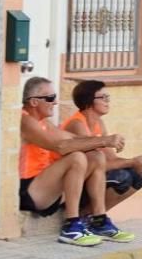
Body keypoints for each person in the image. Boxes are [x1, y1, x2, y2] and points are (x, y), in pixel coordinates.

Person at [19, 77, 135, 246]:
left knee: (95, 156)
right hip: (31, 190)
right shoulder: (26, 121)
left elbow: (73, 139)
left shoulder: (45, 123)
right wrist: (103, 141)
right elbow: (61, 146)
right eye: (51, 98)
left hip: (48, 188)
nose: (56, 102)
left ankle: (99, 220)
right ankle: (71, 225)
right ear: (34, 102)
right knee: (76, 157)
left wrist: (100, 142)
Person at [62, 80, 142, 211]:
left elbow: (111, 160)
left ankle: (94, 217)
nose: (107, 101)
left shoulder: (99, 123)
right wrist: (131, 162)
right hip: (71, 185)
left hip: (89, 179)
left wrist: (139, 163)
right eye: (103, 97)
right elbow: (94, 165)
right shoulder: (77, 124)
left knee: (138, 176)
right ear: (88, 101)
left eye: (108, 97)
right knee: (121, 177)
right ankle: (87, 216)